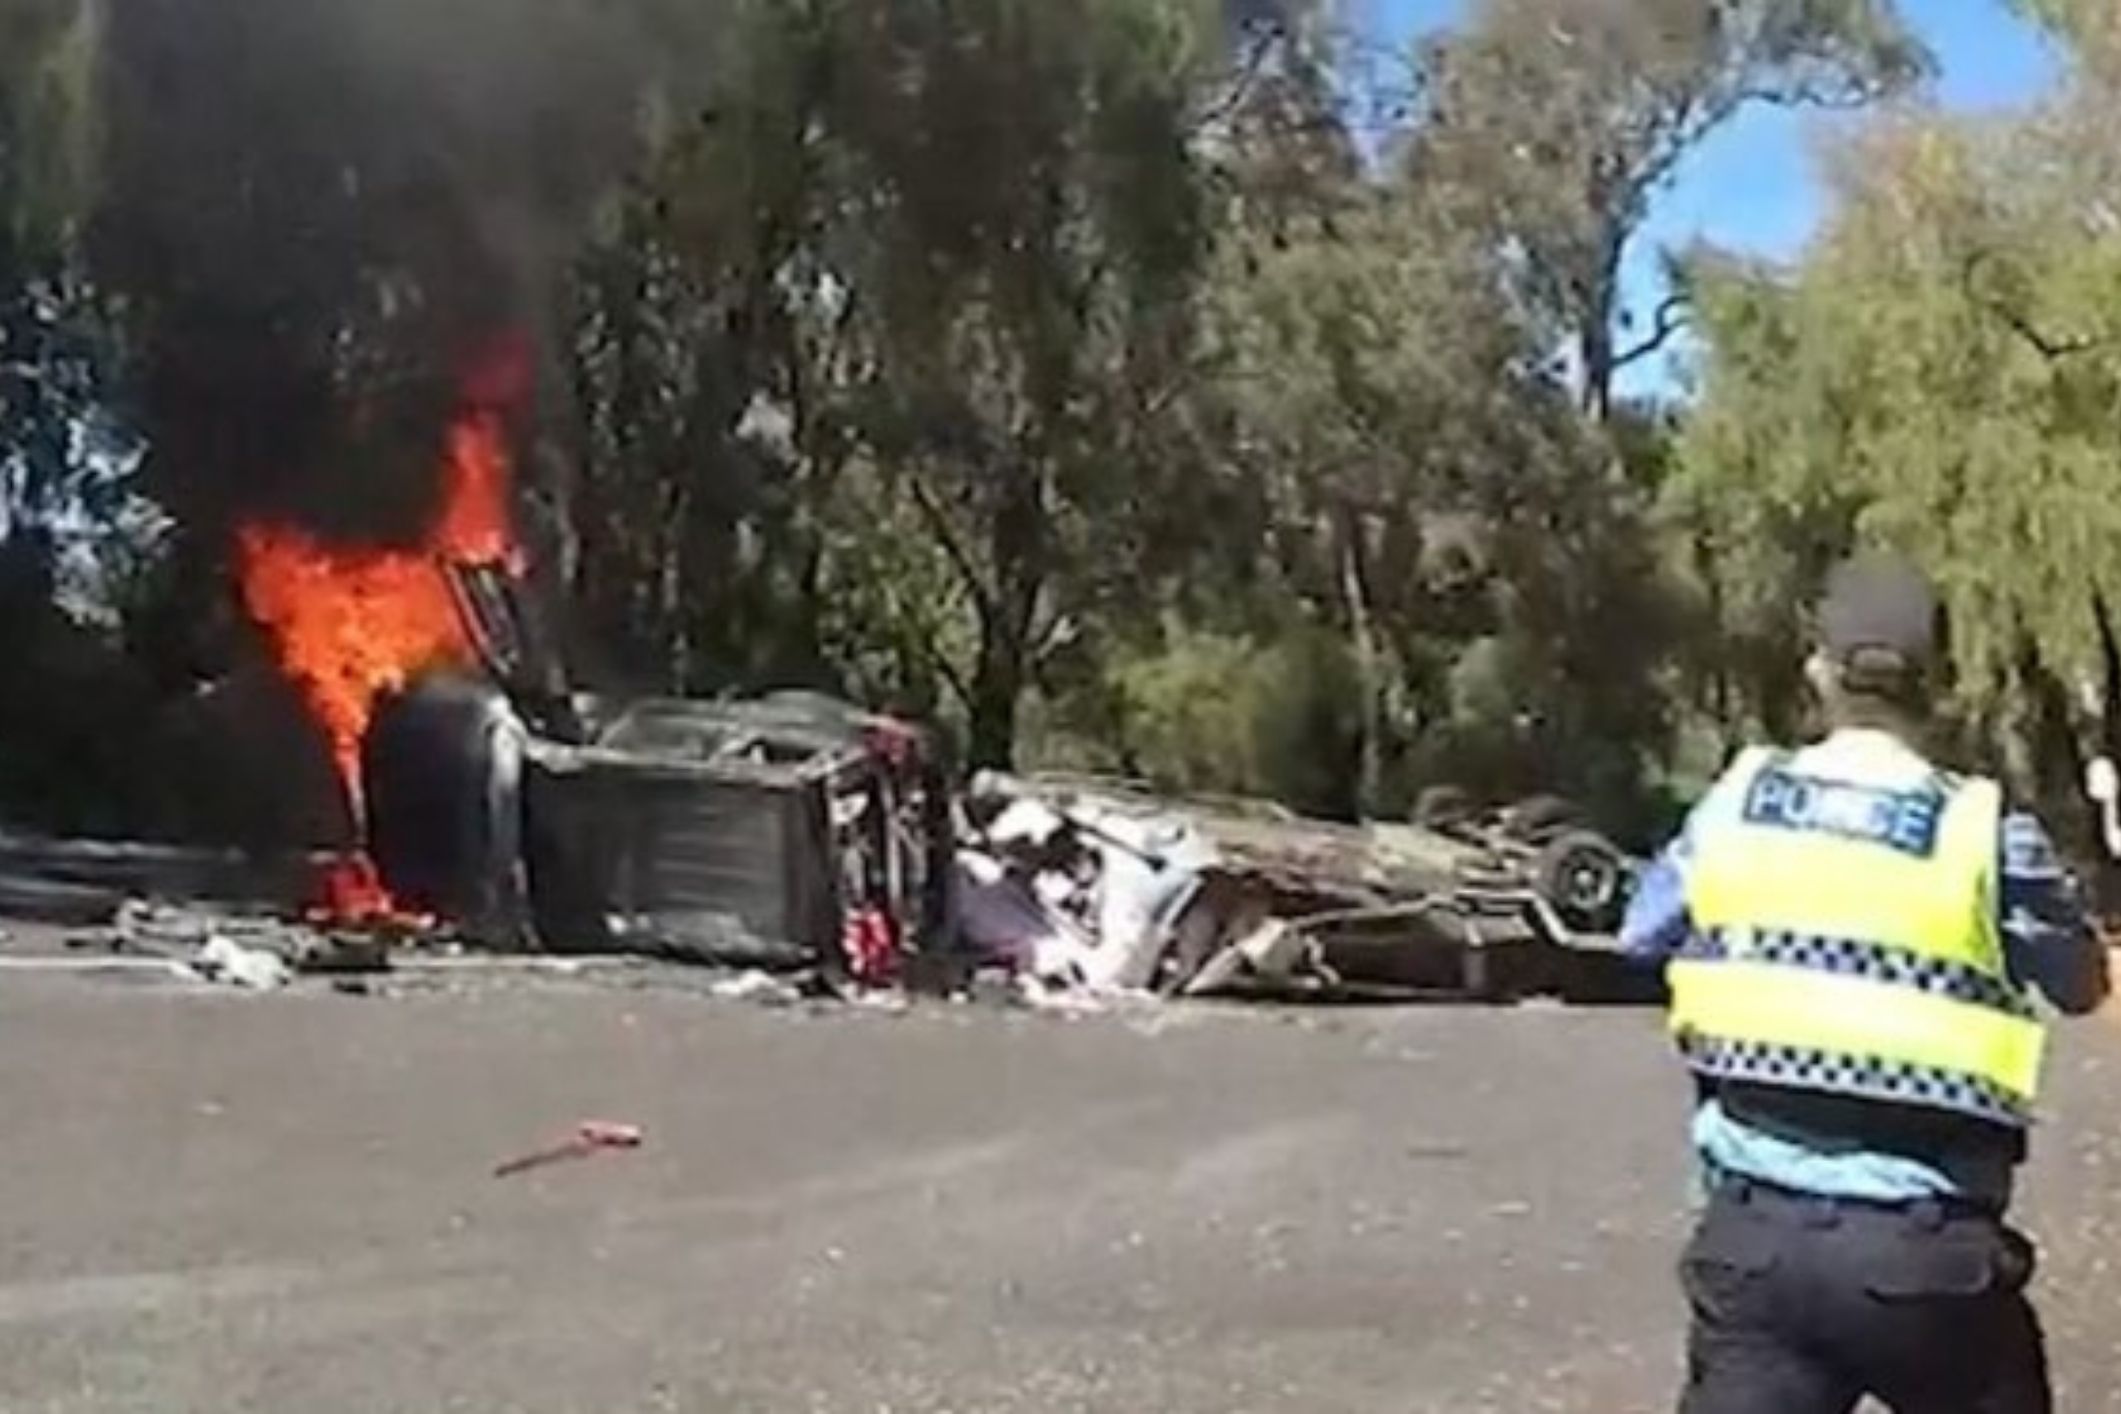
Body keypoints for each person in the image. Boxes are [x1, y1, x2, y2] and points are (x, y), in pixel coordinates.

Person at [1620, 551, 2110, 1414]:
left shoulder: (1735, 799)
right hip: (1928, 1258)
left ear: (1817, 670)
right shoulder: (1985, 832)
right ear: (1940, 685)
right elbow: (2077, 981)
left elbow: (1641, 932)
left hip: (1752, 1247)